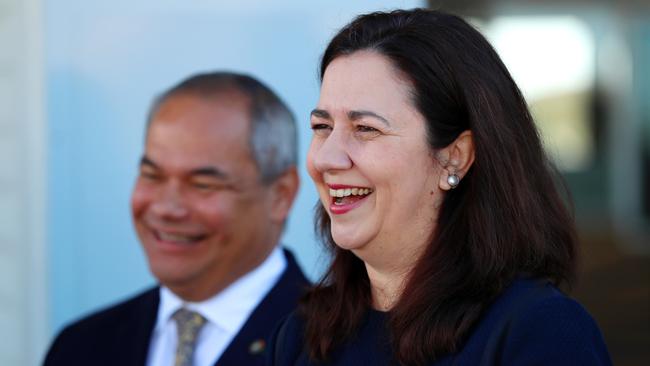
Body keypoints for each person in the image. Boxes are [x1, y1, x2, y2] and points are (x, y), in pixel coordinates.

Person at [268, 8, 612, 366]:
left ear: (455, 157)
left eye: (366, 129)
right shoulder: (300, 337)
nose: (327, 159)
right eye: (322, 127)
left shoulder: (540, 334)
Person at [44, 72, 309, 366]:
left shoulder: (334, 346)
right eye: (151, 175)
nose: (166, 208)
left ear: (281, 194)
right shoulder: (81, 346)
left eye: (202, 184)